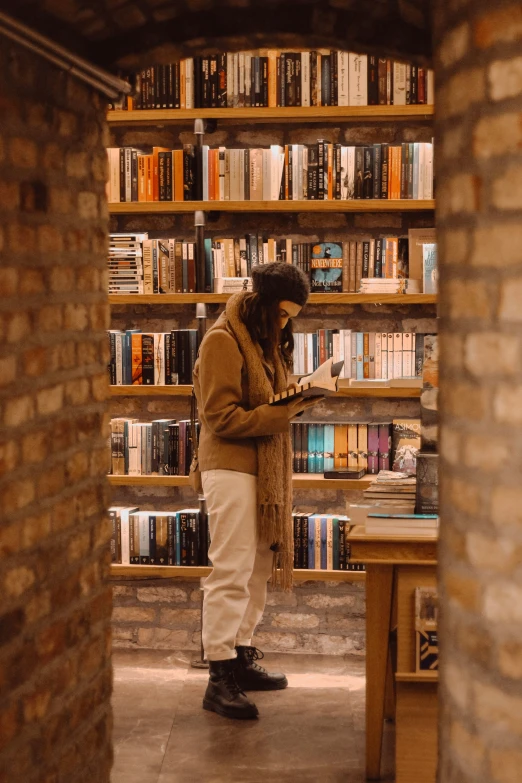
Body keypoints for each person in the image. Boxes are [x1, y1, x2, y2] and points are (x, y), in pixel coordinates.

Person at [192, 262, 317, 720]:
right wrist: (280, 415)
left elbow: (263, 403)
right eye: (281, 313)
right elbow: (220, 417)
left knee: (259, 566)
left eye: (291, 317)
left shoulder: (265, 344)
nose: (285, 324)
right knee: (230, 570)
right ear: (264, 303)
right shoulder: (223, 340)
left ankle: (240, 657)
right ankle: (218, 675)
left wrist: (296, 396)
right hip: (230, 469)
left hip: (261, 473)